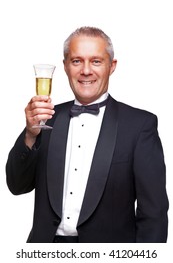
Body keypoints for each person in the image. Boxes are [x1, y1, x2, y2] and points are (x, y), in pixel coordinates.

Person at [6, 26, 169, 243]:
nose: (85, 70)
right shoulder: (46, 120)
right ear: (65, 66)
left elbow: (153, 214)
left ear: (112, 66)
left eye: (96, 61)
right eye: (76, 61)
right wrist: (30, 134)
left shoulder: (140, 126)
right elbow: (17, 186)